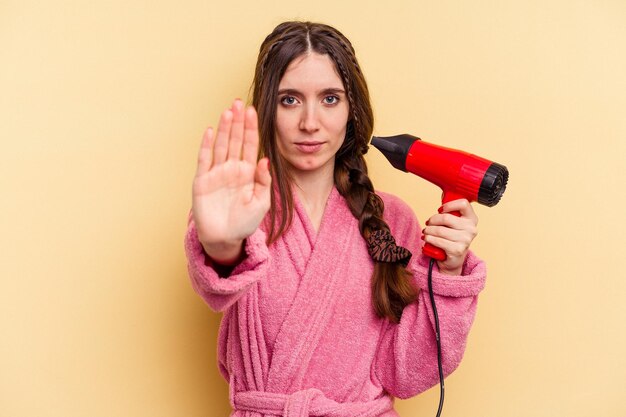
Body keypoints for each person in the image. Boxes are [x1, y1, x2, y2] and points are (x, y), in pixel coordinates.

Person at [184, 21, 485, 417]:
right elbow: (219, 281)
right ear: (267, 109)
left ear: (352, 110)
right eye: (289, 100)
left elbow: (407, 373)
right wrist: (222, 246)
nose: (310, 122)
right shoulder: (238, 207)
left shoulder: (392, 220)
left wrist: (449, 271)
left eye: (330, 99)